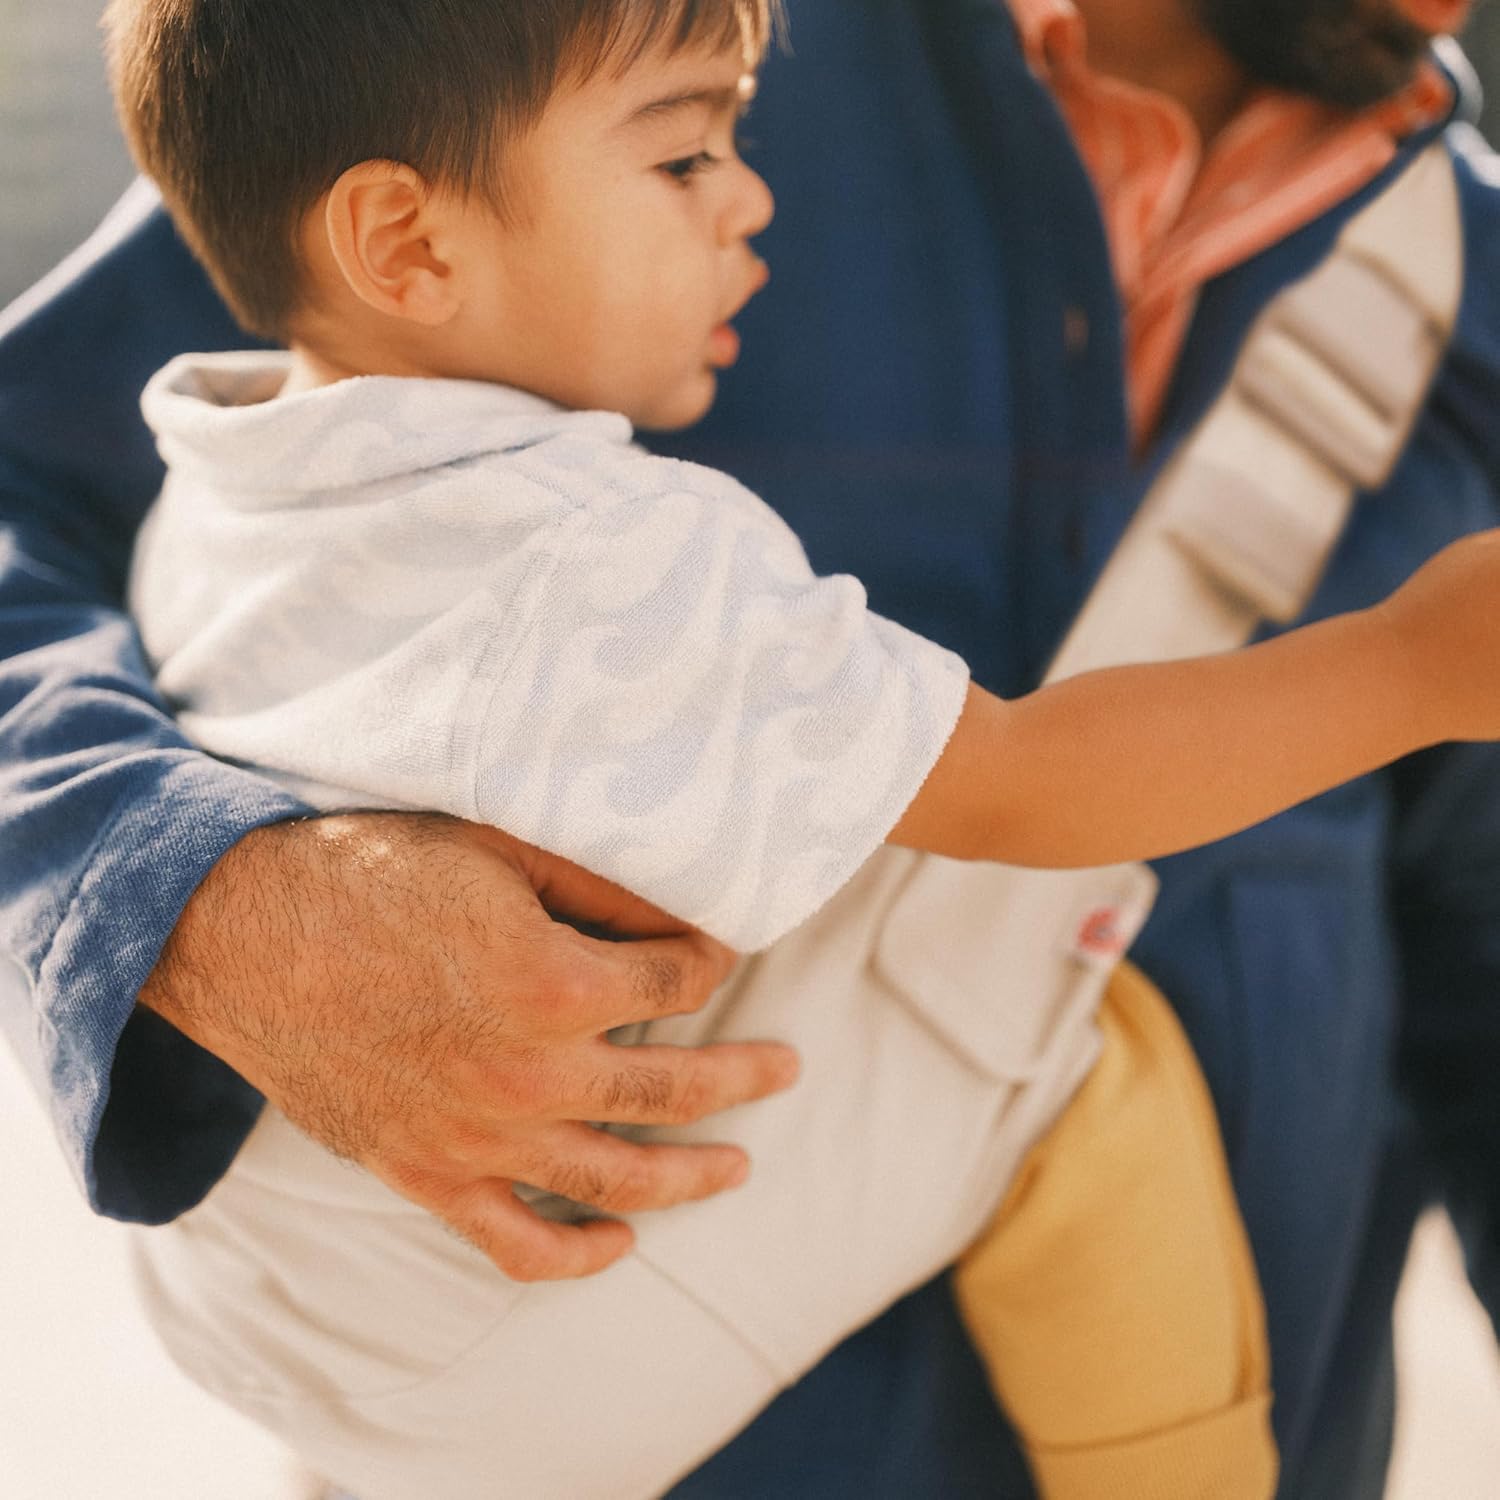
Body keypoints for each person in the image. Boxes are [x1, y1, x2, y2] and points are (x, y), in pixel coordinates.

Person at [0, 0, 1494, 1496]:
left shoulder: (231, 448)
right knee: (1105, 1088)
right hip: (609, 1368)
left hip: (307, 1353)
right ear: (406, 243)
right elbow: (1028, 785)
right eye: (691, 156)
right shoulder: (544, 45)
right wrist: (204, 900)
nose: (747, 190)